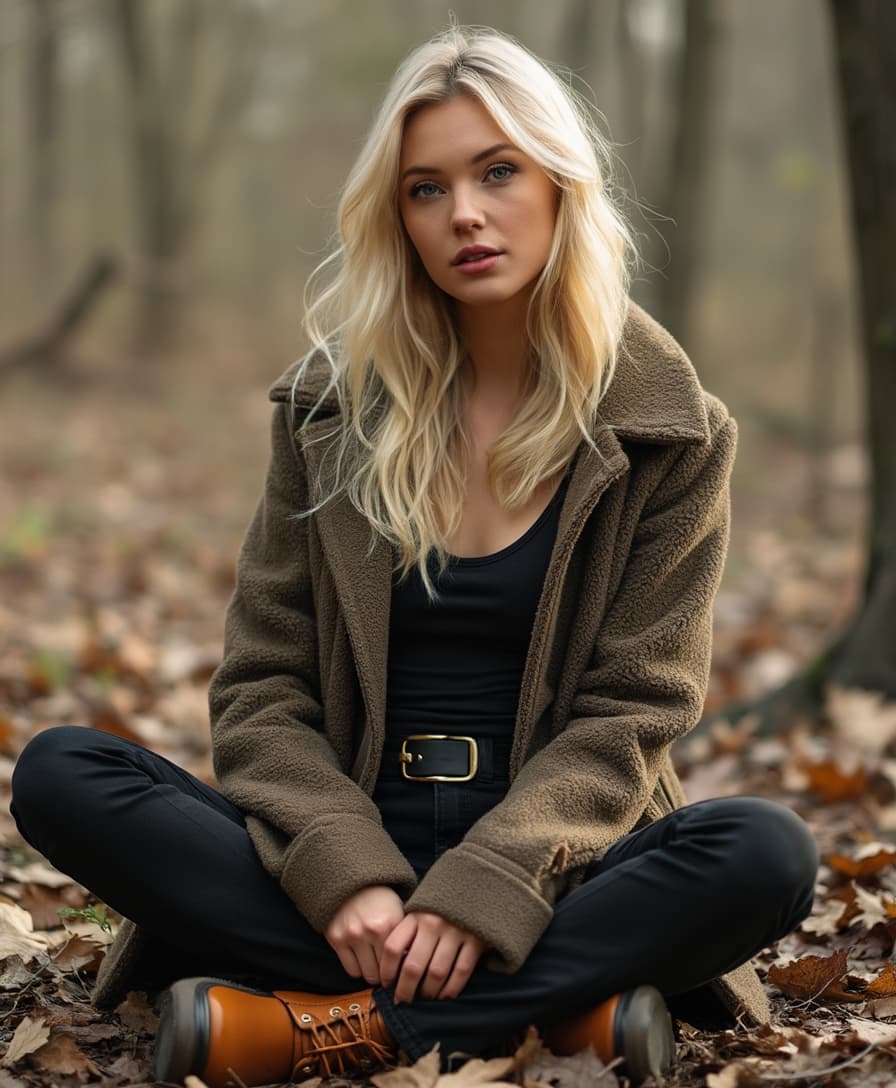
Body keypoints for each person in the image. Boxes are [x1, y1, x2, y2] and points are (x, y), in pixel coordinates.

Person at [10, 24, 820, 1088]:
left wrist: (491, 880)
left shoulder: (671, 432)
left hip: (555, 868)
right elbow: (260, 691)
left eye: (496, 172)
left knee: (765, 853)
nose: (464, 214)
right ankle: (562, 1017)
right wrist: (345, 874)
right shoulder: (326, 414)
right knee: (63, 770)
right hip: (335, 868)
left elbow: (633, 709)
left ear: (560, 183)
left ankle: (311, 1026)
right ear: (394, 217)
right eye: (425, 189)